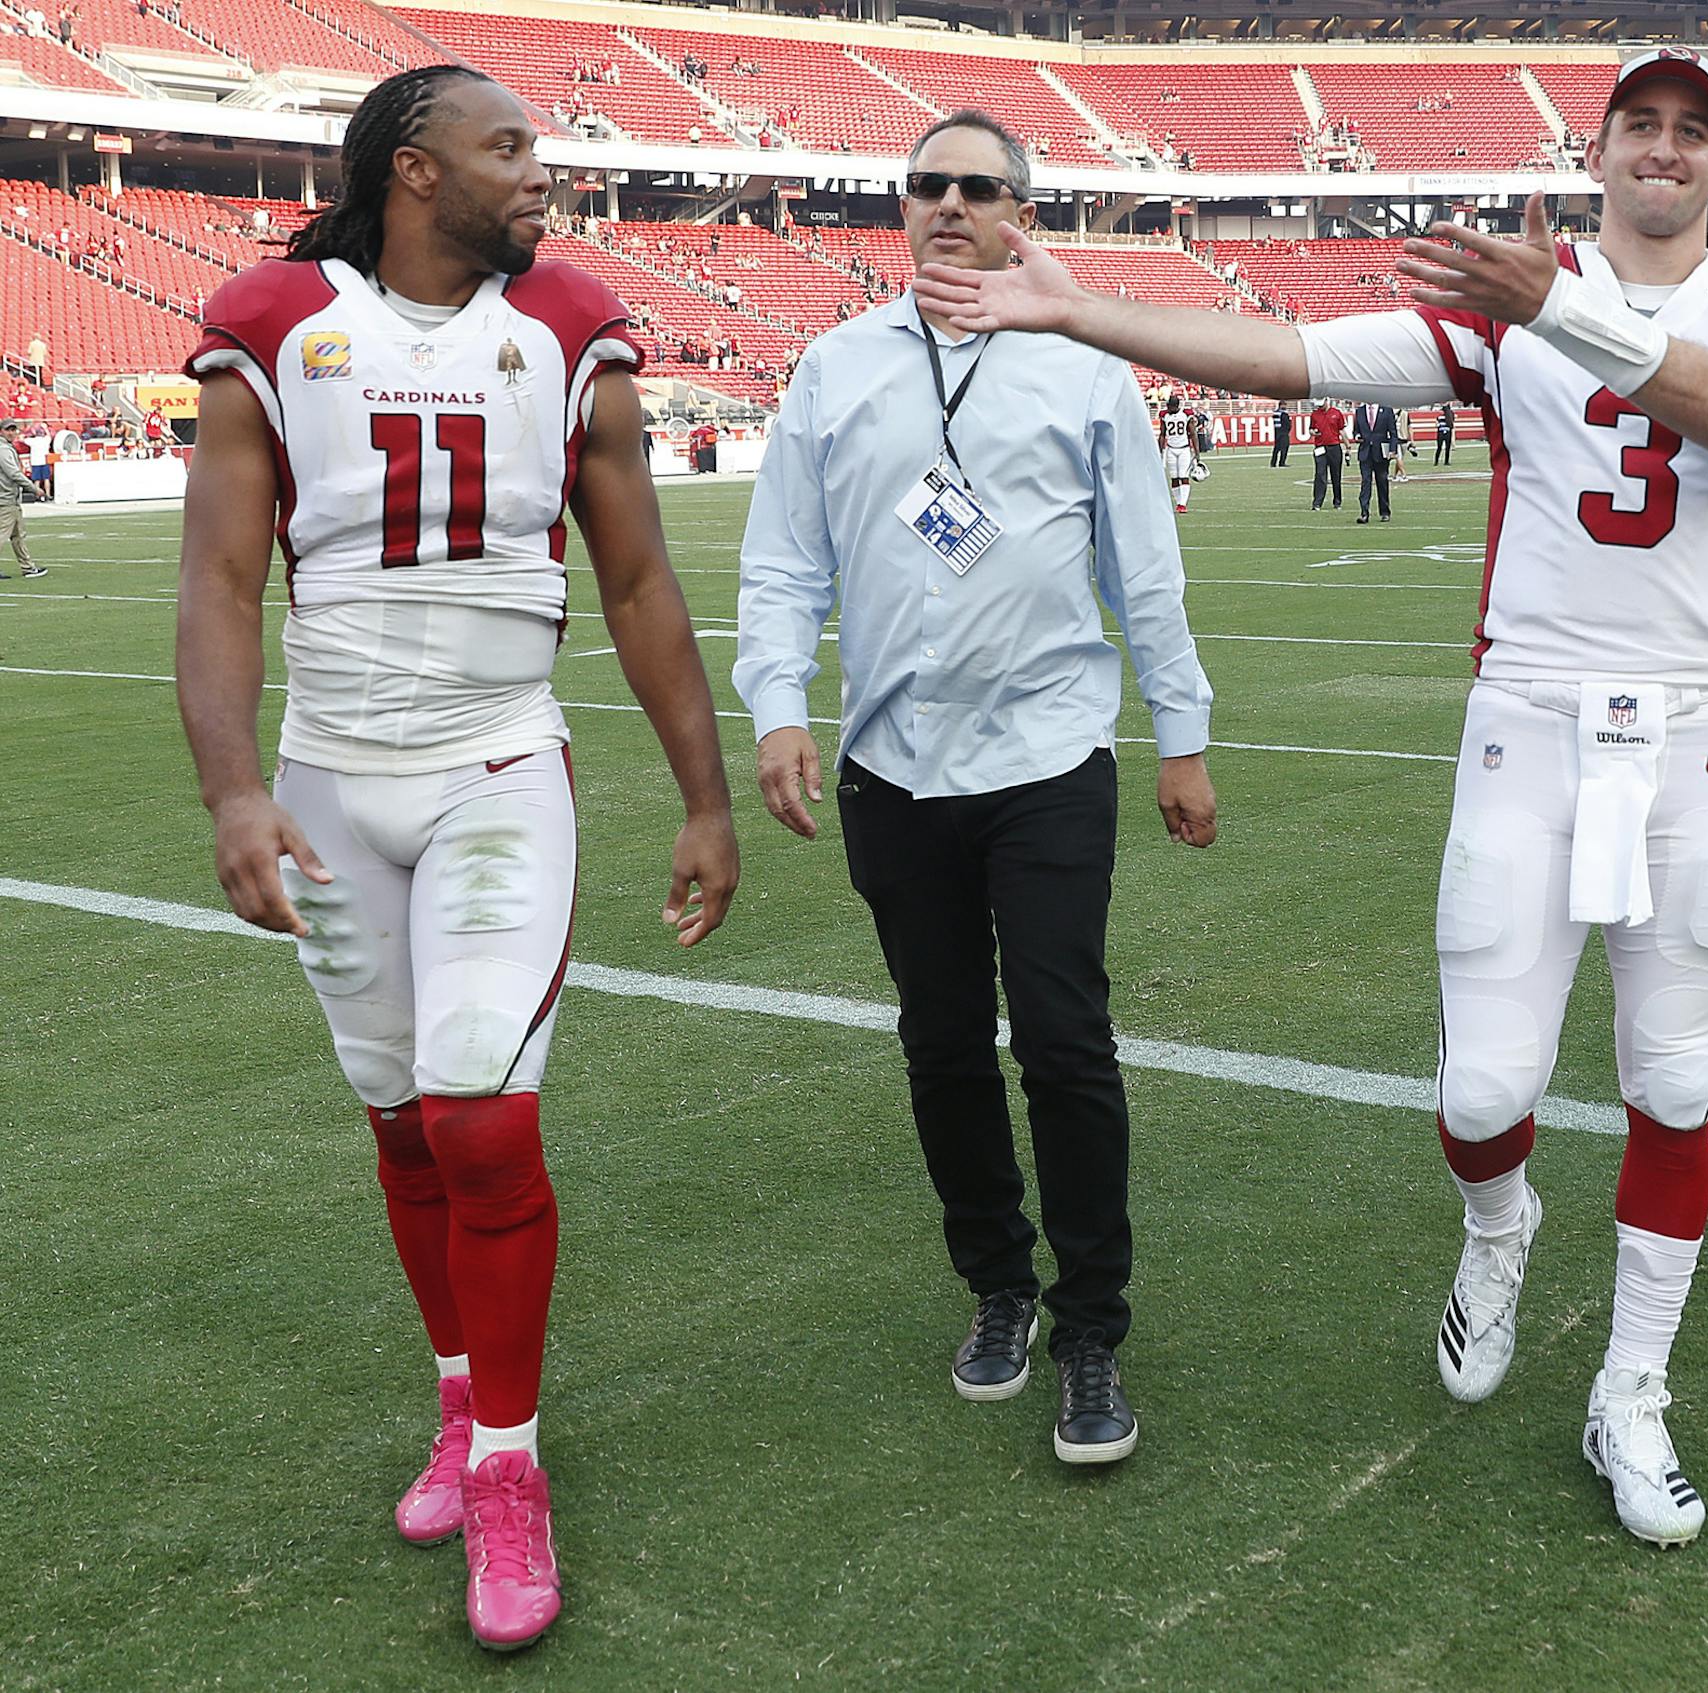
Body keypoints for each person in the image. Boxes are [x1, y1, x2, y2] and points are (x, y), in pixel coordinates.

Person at [914, 47, 1708, 1548]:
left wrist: (1549, 299)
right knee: (1483, 1093)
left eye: (1695, 134)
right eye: (1642, 127)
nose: (1667, 151)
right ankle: (1499, 1228)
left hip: (1694, 733)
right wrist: (1082, 309)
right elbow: (1298, 360)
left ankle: (1633, 1388)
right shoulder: (1504, 321)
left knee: (1673, 1081)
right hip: (1527, 722)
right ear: (1596, 154)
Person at [174, 66, 741, 1653]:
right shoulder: (279, 319)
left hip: (498, 765)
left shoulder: (567, 322)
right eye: (511, 149)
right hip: (332, 782)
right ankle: (457, 1395)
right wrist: (232, 790)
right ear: (415, 171)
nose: (541, 175)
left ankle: (509, 1467)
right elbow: (222, 579)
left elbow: (635, 580)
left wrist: (701, 795)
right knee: (405, 1123)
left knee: (484, 1111)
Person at [734, 109, 1217, 1470]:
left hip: (1050, 755)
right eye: (928, 185)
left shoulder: (1086, 366)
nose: (950, 203)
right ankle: (997, 1285)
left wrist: (1180, 733)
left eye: (978, 187)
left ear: (1022, 213)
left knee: (1064, 1040)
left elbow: (1144, 572)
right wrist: (777, 710)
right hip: (892, 766)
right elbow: (784, 566)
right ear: (903, 207)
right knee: (942, 1044)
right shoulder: (834, 371)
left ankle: (1093, 1328)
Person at [0, 419, 50, 578]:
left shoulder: (6, 447)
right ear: (1, 431)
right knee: (3, 536)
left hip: (9, 499)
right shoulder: (4, 449)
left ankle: (28, 567)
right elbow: (13, 474)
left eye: (14, 429)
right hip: (6, 499)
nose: (12, 432)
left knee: (18, 535)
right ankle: (28, 567)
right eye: (8, 430)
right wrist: (34, 488)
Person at [1352, 399, 1399, 522]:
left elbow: (1393, 433)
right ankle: (1364, 513)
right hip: (1365, 453)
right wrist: (1357, 436)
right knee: (1365, 482)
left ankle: (1385, 512)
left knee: (1382, 482)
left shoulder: (1387, 410)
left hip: (1381, 453)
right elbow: (1356, 430)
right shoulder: (1360, 412)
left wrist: (1392, 450)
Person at [1159, 390, 1197, 513]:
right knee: (1174, 477)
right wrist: (1160, 451)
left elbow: (1193, 433)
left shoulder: (1186, 414)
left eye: (1169, 406)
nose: (1167, 408)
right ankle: (1178, 502)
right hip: (1171, 449)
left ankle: (1183, 504)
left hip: (1184, 449)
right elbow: (1162, 434)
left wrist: (1197, 452)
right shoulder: (1164, 415)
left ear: (1175, 406)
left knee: (1183, 476)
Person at [1309, 395, 1346, 509]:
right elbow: (1311, 429)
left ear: (1327, 401)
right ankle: (1317, 503)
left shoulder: (1337, 413)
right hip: (1320, 447)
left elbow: (1341, 430)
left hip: (1334, 447)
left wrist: (1347, 444)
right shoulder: (1315, 414)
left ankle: (1337, 501)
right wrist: (1313, 432)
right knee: (1320, 475)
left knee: (1336, 475)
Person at [1270, 398, 1290, 467]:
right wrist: (1287, 430)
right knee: (1284, 448)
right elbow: (1287, 424)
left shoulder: (1275, 413)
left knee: (1276, 448)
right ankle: (1282, 462)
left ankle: (1273, 463)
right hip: (1283, 433)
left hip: (1277, 432)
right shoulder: (1284, 413)